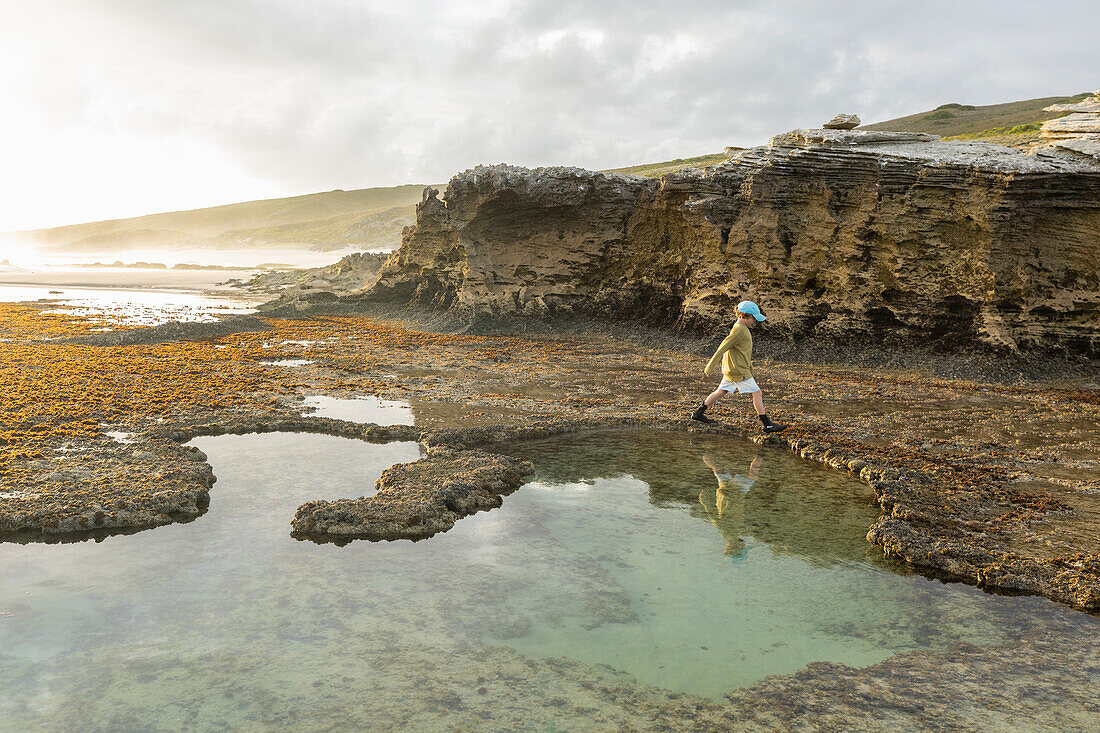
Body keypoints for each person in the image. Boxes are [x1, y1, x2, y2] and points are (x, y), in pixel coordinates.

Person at [691, 300, 786, 432]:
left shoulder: (741, 328)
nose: (754, 321)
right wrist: (710, 365)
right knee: (757, 393)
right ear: (745, 316)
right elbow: (724, 346)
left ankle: (698, 413)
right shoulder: (739, 330)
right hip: (738, 370)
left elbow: (740, 351)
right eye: (753, 318)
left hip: (733, 369)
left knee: (721, 391)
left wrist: (749, 367)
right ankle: (767, 425)